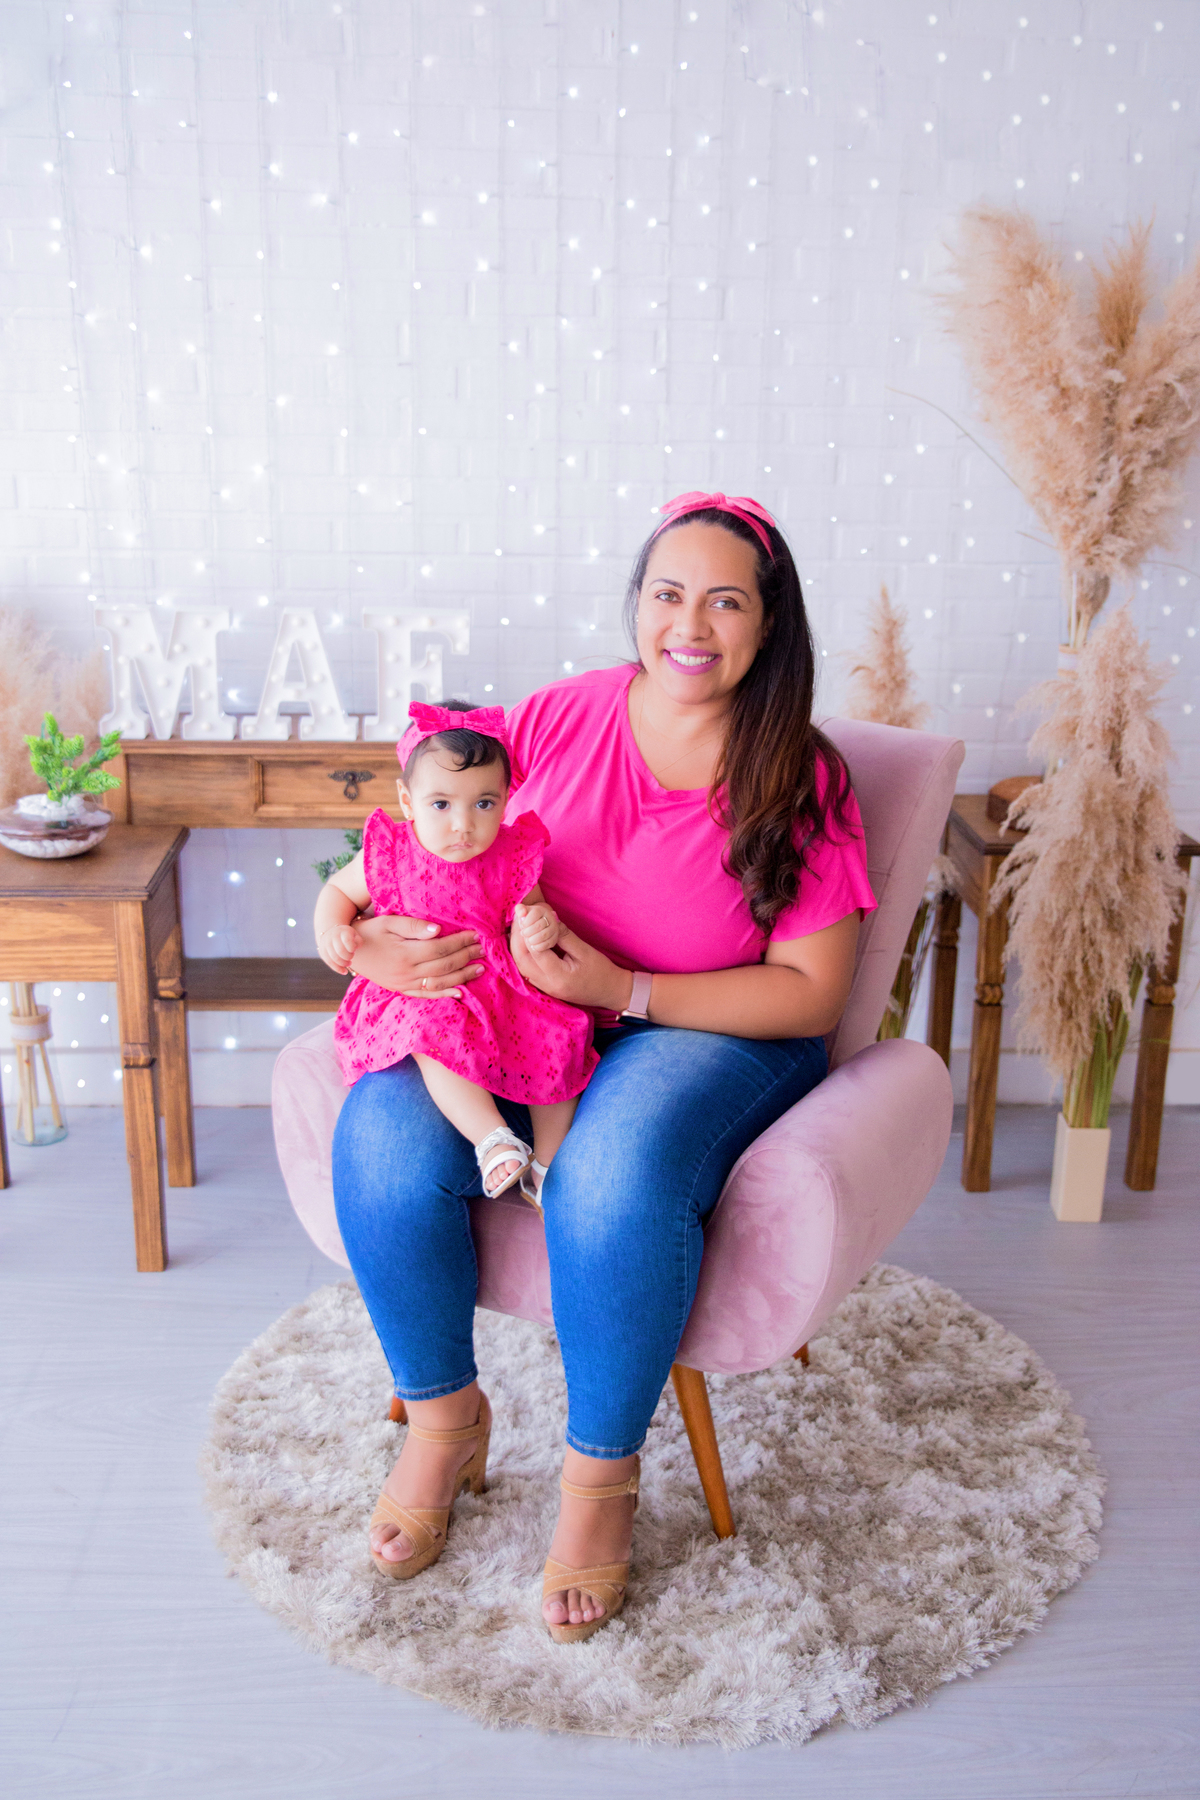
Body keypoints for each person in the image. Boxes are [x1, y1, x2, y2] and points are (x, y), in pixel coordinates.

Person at [332, 492, 877, 1642]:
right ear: (637, 605)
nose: (692, 622)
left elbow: (813, 991)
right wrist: (350, 920)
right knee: (381, 1131)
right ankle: (443, 1419)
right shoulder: (568, 713)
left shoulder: (803, 777)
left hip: (710, 1034)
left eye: (726, 600)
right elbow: (430, 794)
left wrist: (621, 992)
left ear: (769, 625)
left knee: (612, 1174)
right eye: (668, 593)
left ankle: (598, 1481)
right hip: (532, 1013)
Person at [314, 700, 596, 1212]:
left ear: (506, 800)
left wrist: (540, 924)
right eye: (441, 805)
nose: (462, 825)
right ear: (407, 799)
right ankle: (492, 1139)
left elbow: (534, 909)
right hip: (427, 988)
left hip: (498, 984)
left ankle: (547, 1167)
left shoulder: (510, 855)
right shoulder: (394, 851)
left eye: (483, 804)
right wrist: (332, 932)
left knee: (559, 1034)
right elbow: (338, 891)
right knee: (432, 1029)